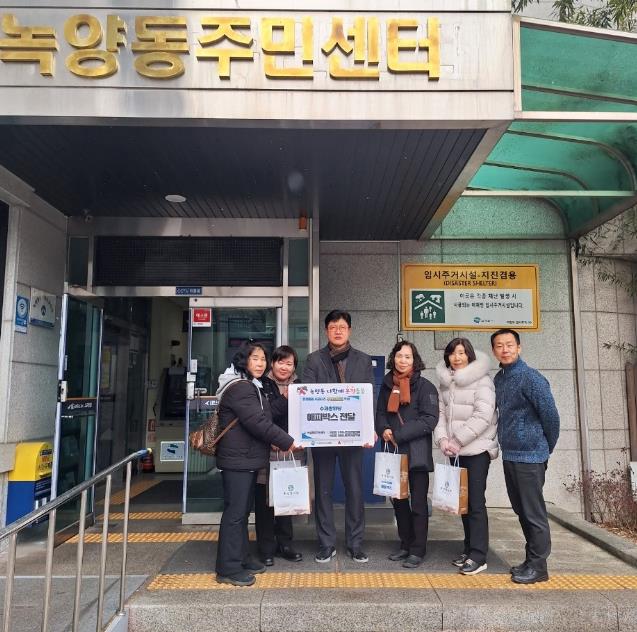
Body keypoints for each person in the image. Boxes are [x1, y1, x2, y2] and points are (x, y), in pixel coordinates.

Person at [214, 341, 296, 587]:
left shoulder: (250, 384)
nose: (260, 364)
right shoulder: (240, 387)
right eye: (255, 359)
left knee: (241, 513)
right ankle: (228, 567)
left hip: (245, 458)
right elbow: (257, 422)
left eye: (262, 359)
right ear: (244, 361)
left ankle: (242, 558)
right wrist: (287, 441)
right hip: (237, 460)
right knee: (235, 515)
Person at [302, 310, 374, 564]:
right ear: (326, 331)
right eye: (333, 327)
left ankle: (355, 543)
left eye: (342, 327)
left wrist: (369, 428)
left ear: (349, 330)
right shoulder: (314, 360)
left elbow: (368, 397)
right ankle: (326, 543)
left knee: (355, 489)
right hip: (322, 436)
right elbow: (307, 395)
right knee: (323, 489)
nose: (338, 331)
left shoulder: (363, 360)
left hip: (352, 436)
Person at [491, 328, 560, 585]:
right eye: (499, 345)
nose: (505, 349)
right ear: (494, 351)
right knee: (521, 511)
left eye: (510, 344)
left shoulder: (531, 378)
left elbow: (551, 417)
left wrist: (544, 447)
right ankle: (531, 561)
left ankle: (539, 567)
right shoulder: (500, 379)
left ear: (519, 348)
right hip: (511, 454)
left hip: (531, 456)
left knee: (534, 514)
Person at [434, 338, 498, 576]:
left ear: (469, 355)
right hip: (455, 450)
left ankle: (479, 556)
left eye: (461, 353)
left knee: (476, 503)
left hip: (477, 450)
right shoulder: (446, 382)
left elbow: (483, 415)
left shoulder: (483, 381)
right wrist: (442, 440)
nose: (457, 357)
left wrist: (457, 440)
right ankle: (469, 548)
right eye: (452, 353)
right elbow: (440, 415)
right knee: (463, 502)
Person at [376, 341, 438, 568]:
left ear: (415, 360)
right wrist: (383, 429)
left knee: (418, 503)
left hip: (416, 451)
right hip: (394, 451)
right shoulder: (386, 384)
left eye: (408, 357)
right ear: (393, 358)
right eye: (399, 356)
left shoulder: (426, 387)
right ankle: (405, 544)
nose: (403, 360)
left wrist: (399, 434)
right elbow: (380, 412)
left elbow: (429, 419)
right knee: (398, 501)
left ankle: (418, 549)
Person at [255, 345, 303, 566]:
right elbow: (265, 415)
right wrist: (285, 397)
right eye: (280, 362)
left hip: (291, 450)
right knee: (265, 500)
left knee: (287, 496)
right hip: (266, 450)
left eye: (289, 363)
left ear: (294, 367)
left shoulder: (301, 386)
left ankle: (285, 544)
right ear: (272, 364)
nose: (284, 367)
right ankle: (266, 547)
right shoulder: (261, 384)